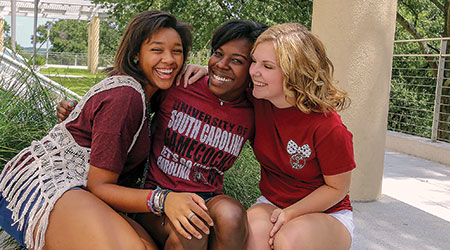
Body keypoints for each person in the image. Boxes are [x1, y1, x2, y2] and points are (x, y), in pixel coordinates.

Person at [56, 20, 267, 250]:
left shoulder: (254, 110)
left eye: (237, 60)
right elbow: (123, 107)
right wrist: (79, 110)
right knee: (191, 233)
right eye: (217, 54)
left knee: (232, 214)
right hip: (157, 194)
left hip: (207, 196)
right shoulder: (180, 84)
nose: (221, 64)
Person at [0, 10, 192, 250]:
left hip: (81, 188)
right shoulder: (126, 96)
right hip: (43, 184)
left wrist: (202, 70)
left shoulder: (148, 95)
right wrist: (164, 200)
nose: (169, 59)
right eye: (157, 50)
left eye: (177, 51)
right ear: (135, 55)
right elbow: (99, 185)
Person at [245, 22, 356, 250]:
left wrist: (291, 213)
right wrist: (202, 71)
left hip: (327, 213)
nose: (254, 71)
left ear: (295, 72)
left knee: (288, 240)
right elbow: (225, 80)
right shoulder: (258, 99)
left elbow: (337, 189)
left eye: (267, 66)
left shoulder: (328, 127)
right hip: (272, 202)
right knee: (253, 237)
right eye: (254, 61)